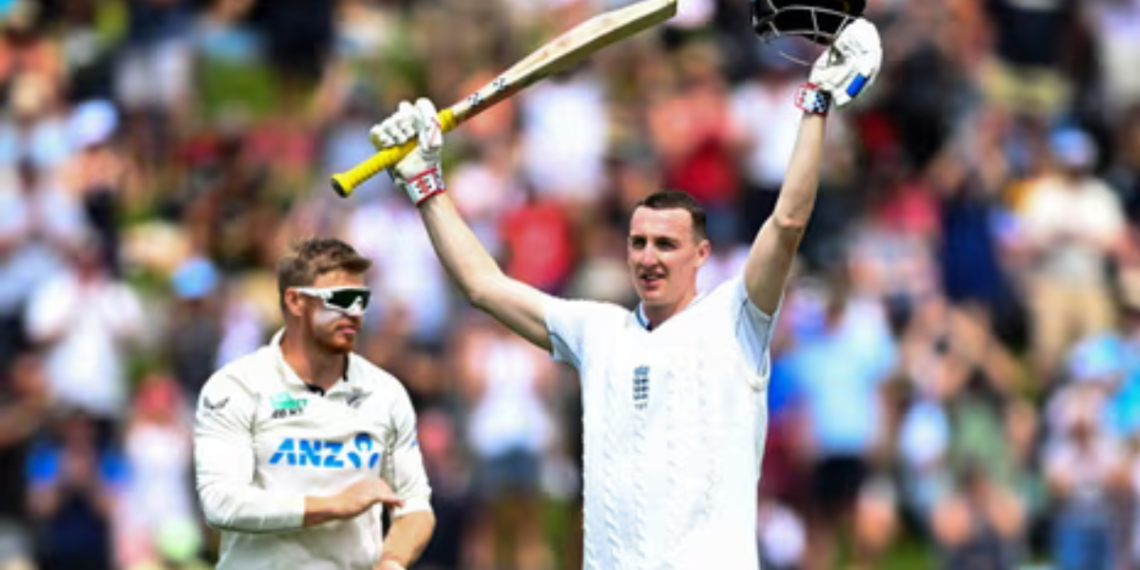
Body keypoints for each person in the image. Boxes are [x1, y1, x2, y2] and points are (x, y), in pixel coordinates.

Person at [368, 17, 883, 569]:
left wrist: (815, 106)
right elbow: (482, 285)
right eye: (638, 242)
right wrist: (426, 184)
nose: (648, 257)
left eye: (666, 243)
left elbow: (786, 223)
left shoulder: (737, 318)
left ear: (701, 256)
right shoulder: (598, 331)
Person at [193, 238, 435, 570]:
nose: (355, 313)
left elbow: (415, 505)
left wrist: (393, 560)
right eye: (341, 300)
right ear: (295, 300)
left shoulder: (386, 391)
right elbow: (222, 504)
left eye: (362, 299)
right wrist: (332, 505)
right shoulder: (236, 386)